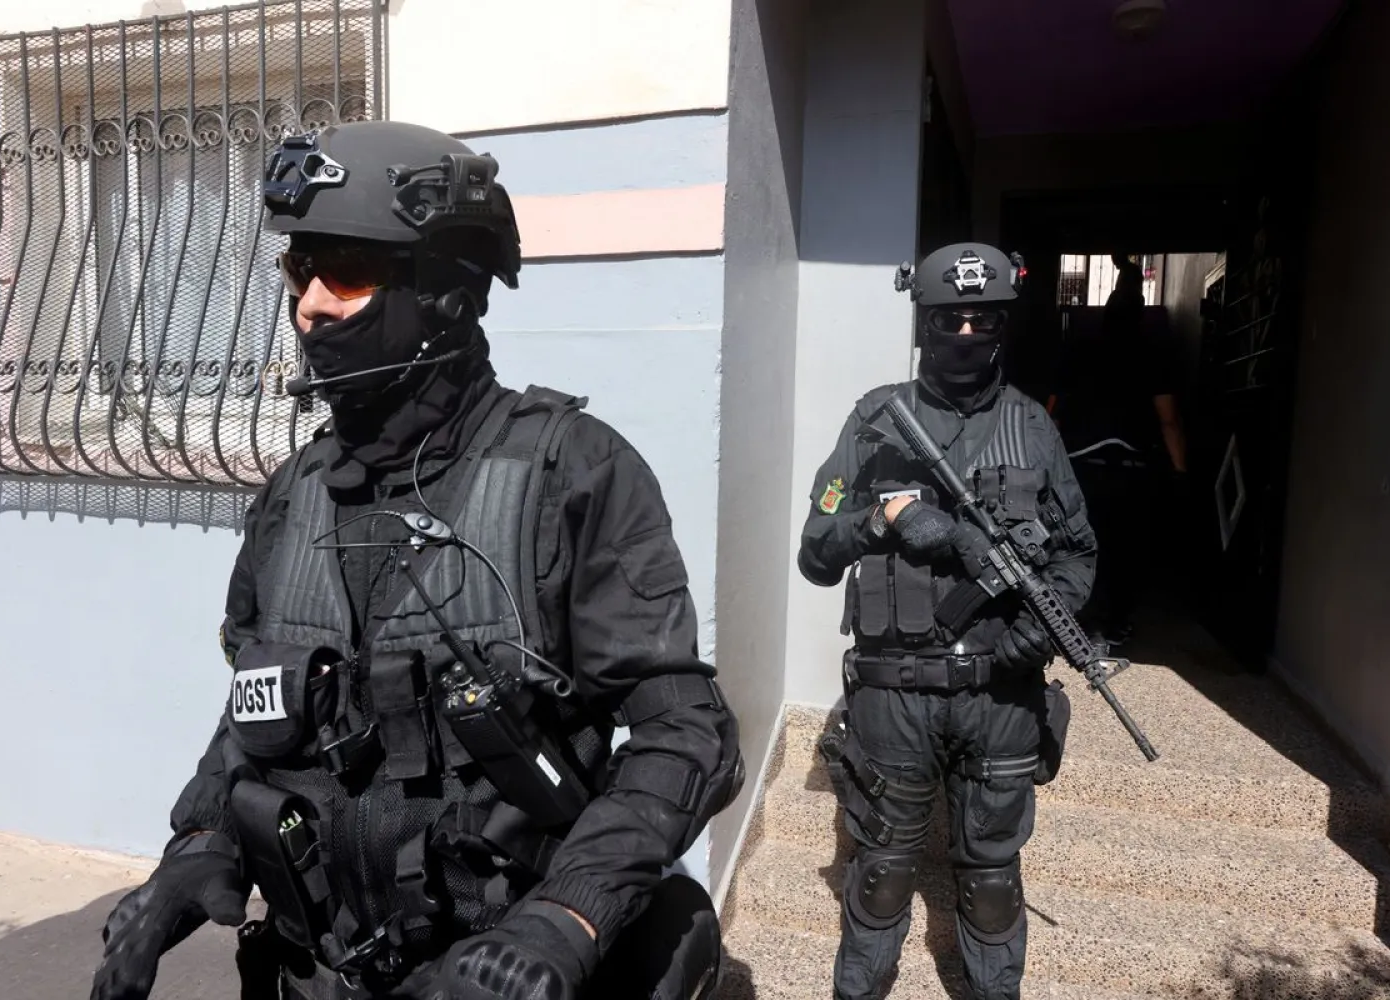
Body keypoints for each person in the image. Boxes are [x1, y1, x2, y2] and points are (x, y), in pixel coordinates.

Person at [89, 120, 743, 1000]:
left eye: (346, 274)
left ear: (445, 291)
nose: (308, 304)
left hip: (490, 971)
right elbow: (256, 707)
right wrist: (194, 852)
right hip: (310, 975)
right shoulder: (293, 493)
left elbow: (686, 733)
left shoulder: (573, 472)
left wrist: (568, 918)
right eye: (298, 269)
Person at [798, 243, 1096, 1000]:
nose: (965, 333)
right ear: (923, 322)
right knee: (881, 872)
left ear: (1003, 323)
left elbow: (1077, 555)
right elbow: (815, 550)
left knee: (992, 875)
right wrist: (886, 518)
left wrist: (1041, 631)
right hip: (893, 695)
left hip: (1001, 692)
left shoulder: (1032, 427)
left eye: (982, 318)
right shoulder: (875, 422)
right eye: (948, 319)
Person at [1047, 252, 1187, 646]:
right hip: (1131, 467)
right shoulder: (1153, 354)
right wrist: (1180, 472)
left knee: (1078, 543)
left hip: (1078, 465)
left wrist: (1045, 466)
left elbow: (1051, 415)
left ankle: (1079, 621)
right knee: (1128, 547)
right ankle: (1115, 623)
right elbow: (1169, 420)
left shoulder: (1077, 352)